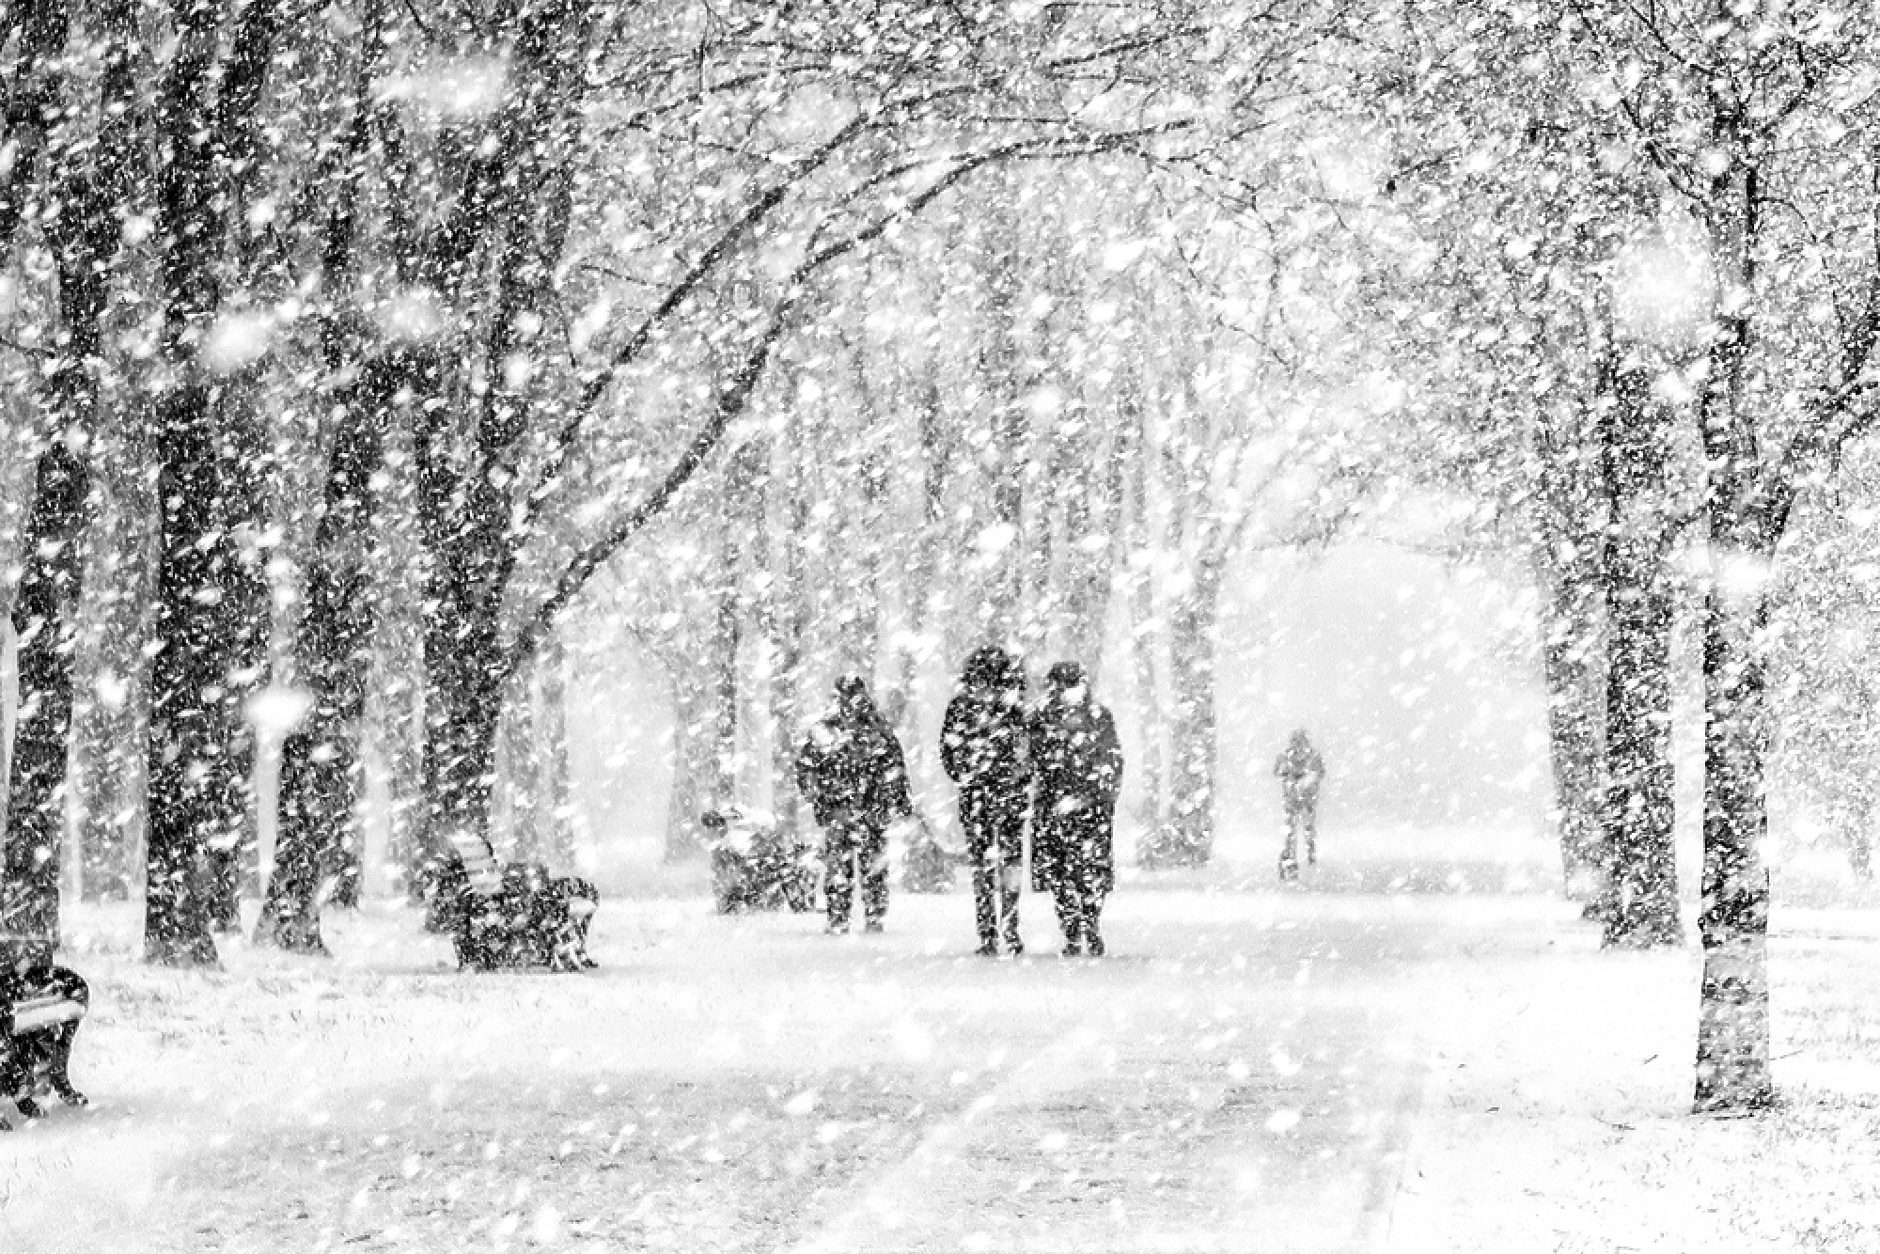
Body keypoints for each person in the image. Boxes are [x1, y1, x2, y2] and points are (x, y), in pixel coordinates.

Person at [794, 677, 911, 934]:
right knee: (858, 863)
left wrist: (816, 790)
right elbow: (894, 765)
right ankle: (859, 914)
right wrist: (899, 799)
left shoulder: (838, 730)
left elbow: (893, 765)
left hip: (854, 806)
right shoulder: (872, 728)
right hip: (858, 806)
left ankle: (850, 915)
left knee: (850, 864)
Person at [940, 646, 1031, 956]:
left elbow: (948, 750)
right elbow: (1026, 752)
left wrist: (967, 775)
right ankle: (1009, 927)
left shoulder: (962, 706)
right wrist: (1016, 779)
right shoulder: (1013, 708)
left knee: (983, 866)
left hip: (977, 795)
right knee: (1009, 864)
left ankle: (989, 931)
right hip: (1007, 796)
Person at [1029, 662, 1123, 957]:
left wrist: (1096, 789)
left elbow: (1110, 758)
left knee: (1080, 869)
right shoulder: (1044, 719)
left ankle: (1084, 925)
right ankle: (1076, 927)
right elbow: (1033, 757)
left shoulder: (1094, 717)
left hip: (1081, 803)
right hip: (1069, 803)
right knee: (1068, 870)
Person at [1275, 728, 1325, 881]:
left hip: (1302, 799)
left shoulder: (1294, 756)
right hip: (1297, 799)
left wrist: (1294, 779)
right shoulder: (1305, 756)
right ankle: (1297, 860)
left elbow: (1320, 773)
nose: (1298, 745)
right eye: (1296, 741)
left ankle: (1305, 860)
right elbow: (1278, 772)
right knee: (1296, 831)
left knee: (1302, 830)